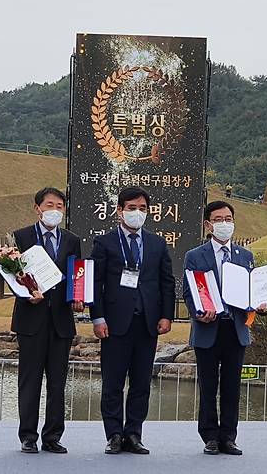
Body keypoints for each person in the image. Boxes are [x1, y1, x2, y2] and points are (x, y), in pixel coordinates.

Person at [90, 187, 175, 455]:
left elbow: (166, 282)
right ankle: (114, 434)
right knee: (112, 383)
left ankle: (134, 434)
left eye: (141, 208)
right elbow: (96, 282)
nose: (136, 213)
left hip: (147, 323)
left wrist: (166, 315)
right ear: (119, 210)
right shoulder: (105, 243)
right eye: (131, 207)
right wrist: (98, 317)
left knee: (141, 384)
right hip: (114, 324)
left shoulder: (157, 243)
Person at [182, 200, 267, 456]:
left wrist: (260, 306)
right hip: (208, 330)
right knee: (208, 387)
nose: (224, 224)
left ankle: (229, 437)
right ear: (208, 225)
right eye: (218, 219)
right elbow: (189, 293)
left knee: (232, 387)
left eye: (228, 219)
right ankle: (209, 436)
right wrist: (200, 313)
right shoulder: (195, 256)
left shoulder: (245, 256)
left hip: (236, 329)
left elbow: (252, 292)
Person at [11, 187, 83, 454]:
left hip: (61, 320)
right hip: (31, 318)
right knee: (29, 381)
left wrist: (78, 298)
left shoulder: (72, 239)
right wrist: (25, 293)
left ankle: (53, 435)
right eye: (49, 204)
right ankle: (28, 435)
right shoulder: (21, 237)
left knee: (57, 382)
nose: (55, 210)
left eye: (60, 206)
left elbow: (77, 274)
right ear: (37, 208)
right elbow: (13, 276)